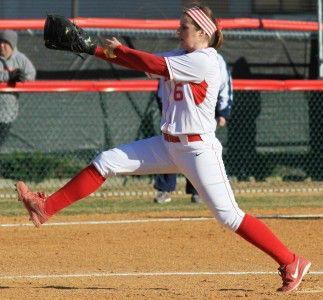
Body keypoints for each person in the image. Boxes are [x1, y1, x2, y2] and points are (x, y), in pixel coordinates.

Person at [16, 5, 310, 293]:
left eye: (184, 27)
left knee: (229, 216)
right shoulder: (180, 55)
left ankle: (291, 261)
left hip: (198, 151)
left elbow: (154, 65)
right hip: (168, 145)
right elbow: (139, 63)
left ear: (202, 33)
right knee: (107, 161)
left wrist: (121, 50)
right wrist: (92, 47)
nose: (177, 30)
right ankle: (44, 209)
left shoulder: (206, 59)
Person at [153, 53, 233, 204]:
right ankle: (164, 189)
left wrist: (223, 112)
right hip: (176, 112)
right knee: (169, 148)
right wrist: (165, 109)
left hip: (201, 113)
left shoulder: (214, 58)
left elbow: (225, 85)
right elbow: (162, 85)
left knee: (199, 153)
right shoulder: (174, 56)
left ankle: (198, 191)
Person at [0, 30, 36, 148]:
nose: (1, 45)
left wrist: (22, 78)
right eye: (0, 42)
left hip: (7, 113)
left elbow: (31, 74)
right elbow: (7, 76)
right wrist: (9, 76)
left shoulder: (20, 59)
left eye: (5, 42)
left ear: (13, 44)